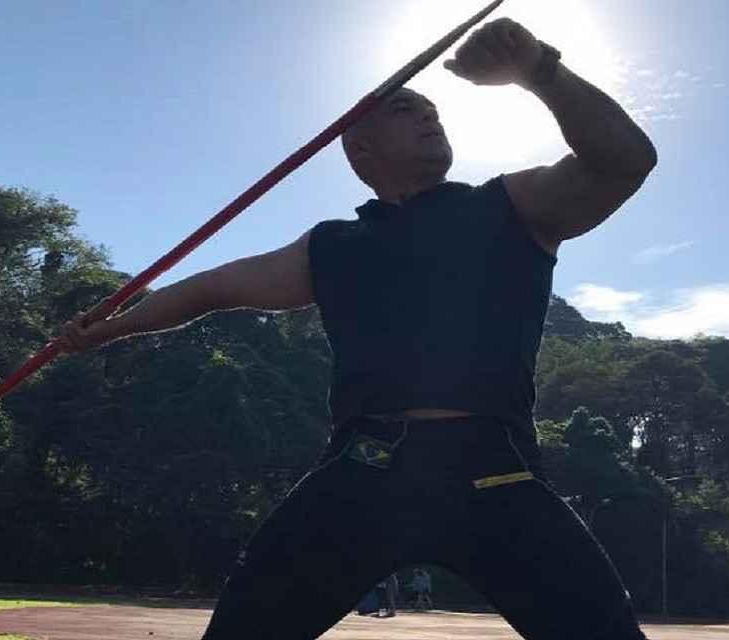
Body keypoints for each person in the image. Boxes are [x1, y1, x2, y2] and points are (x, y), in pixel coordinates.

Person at [58, 17, 656, 640]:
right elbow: (209, 289)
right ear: (359, 150)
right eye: (405, 109)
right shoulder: (333, 247)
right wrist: (104, 330)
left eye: (434, 111)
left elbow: (625, 162)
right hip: (366, 468)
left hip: (494, 467)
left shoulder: (511, 205)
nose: (430, 117)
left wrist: (539, 70)